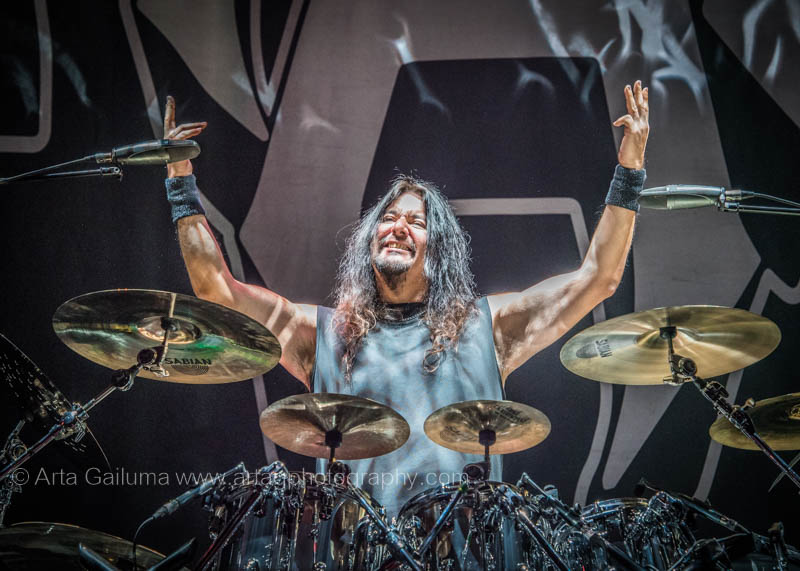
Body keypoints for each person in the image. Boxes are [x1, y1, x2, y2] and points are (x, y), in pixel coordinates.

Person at [162, 81, 650, 515]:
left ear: (439, 249)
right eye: (389, 218)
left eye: (416, 221)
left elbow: (597, 278)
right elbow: (216, 289)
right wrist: (181, 183)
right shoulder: (323, 333)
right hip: (360, 552)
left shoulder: (486, 326)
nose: (397, 227)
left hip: (462, 550)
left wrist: (629, 171)